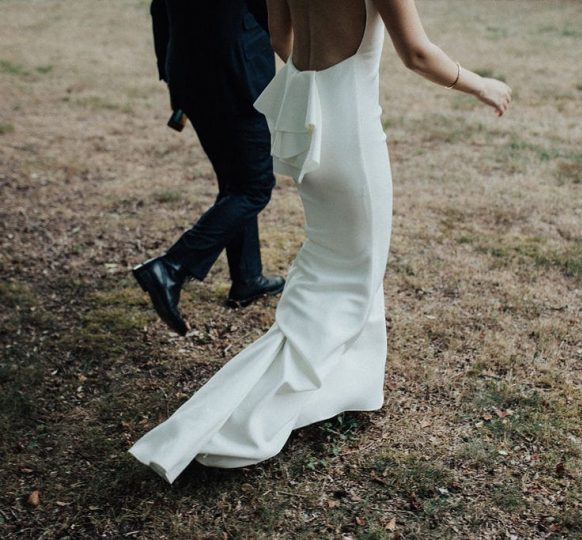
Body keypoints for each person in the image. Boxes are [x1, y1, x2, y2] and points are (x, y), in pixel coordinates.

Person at [128, 0, 511, 483]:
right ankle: (231, 427)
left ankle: (355, 386)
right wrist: (482, 84)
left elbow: (280, 39)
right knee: (351, 272)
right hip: (350, 131)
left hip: (309, 121)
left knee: (341, 268)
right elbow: (417, 53)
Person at [132, 0, 286, 337]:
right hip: (237, 75)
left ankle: (247, 278)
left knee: (235, 181)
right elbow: (274, 15)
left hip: (187, 72)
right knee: (254, 187)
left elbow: (160, 8)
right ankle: (172, 267)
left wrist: (170, 69)